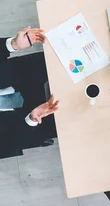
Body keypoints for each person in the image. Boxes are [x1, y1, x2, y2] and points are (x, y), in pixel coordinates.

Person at [0, 27, 59, 156]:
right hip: (34, 119)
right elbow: (11, 144)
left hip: (27, 72)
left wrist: (13, 44)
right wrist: (31, 120)